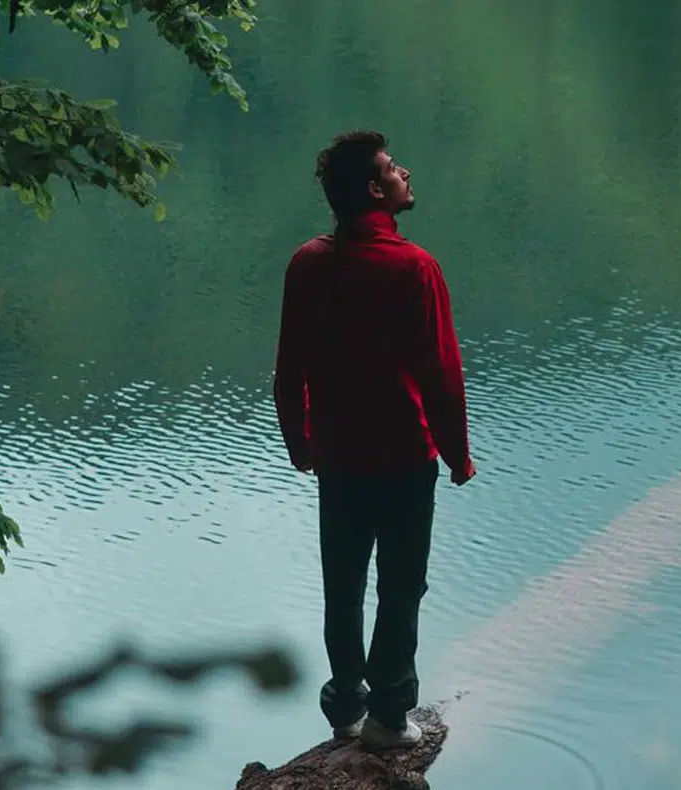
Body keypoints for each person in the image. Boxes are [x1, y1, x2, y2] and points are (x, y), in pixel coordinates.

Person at [272, 130, 476, 750]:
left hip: (337, 458)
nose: (403, 172)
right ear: (373, 190)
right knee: (401, 588)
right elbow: (442, 374)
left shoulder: (308, 262)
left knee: (344, 586)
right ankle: (389, 715)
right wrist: (458, 455)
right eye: (391, 168)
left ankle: (344, 707)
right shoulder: (415, 268)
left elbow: (290, 368)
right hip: (404, 457)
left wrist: (300, 444)